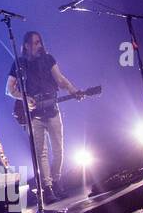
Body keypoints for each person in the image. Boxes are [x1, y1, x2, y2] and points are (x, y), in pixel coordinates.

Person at [5, 30, 85, 203]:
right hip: (33, 114)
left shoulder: (48, 59)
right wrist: (24, 97)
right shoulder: (19, 63)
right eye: (35, 43)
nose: (38, 45)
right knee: (41, 152)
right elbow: (9, 89)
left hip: (52, 109)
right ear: (26, 45)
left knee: (59, 150)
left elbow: (60, 80)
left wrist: (73, 90)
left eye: (39, 42)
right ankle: (47, 189)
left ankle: (56, 182)